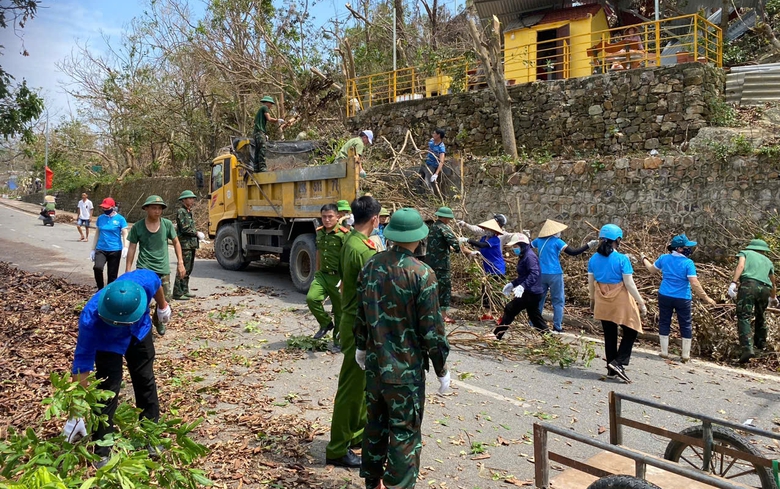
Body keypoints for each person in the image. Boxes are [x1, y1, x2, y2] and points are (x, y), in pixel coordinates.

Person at [354, 208, 450, 489]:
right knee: (404, 433)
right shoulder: (422, 274)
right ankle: (398, 485)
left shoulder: (371, 265)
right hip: (405, 373)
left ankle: (373, 482)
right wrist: (442, 369)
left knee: (375, 427)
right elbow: (432, 331)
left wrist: (361, 347)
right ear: (420, 238)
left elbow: (360, 313)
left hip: (375, 367)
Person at [62, 270, 172, 468]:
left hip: (139, 333)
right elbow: (82, 364)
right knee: (107, 391)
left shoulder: (144, 280)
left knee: (145, 380)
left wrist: (163, 307)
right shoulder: (90, 317)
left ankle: (150, 436)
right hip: (107, 343)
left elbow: (157, 285)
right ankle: (102, 450)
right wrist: (76, 412)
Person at [326, 196, 381, 469]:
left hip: (350, 319)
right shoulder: (366, 251)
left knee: (360, 384)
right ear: (375, 220)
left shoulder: (350, 240)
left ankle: (356, 433)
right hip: (359, 324)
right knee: (350, 388)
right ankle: (337, 447)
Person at [641, 234, 716, 362]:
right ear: (680, 249)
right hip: (682, 297)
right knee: (685, 324)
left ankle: (664, 352)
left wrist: (644, 258)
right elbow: (694, 282)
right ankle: (685, 355)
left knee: (664, 321)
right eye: (687, 247)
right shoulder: (688, 263)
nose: (689, 249)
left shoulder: (664, 258)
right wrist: (706, 298)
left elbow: (651, 270)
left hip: (664, 295)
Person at [588, 224, 647, 383]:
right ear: (618, 240)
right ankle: (618, 362)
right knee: (631, 330)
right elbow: (629, 284)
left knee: (610, 334)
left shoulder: (593, 259)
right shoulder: (622, 259)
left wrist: (592, 301)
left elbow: (591, 282)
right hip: (620, 300)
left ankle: (611, 370)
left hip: (601, 298)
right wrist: (641, 303)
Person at [125, 195, 186, 336]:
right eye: (153, 208)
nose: (157, 211)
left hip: (162, 268)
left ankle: (158, 321)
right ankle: (145, 329)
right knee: (143, 300)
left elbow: (176, 242)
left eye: (159, 208)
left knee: (165, 299)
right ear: (146, 209)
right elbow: (132, 248)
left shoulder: (167, 225)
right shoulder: (138, 227)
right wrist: (128, 270)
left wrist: (180, 262)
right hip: (144, 268)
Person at [532, 219, 599, 333]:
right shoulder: (557, 242)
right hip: (555, 274)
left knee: (539, 299)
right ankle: (557, 326)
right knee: (558, 301)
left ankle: (534, 323)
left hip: (541, 274)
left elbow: (526, 247)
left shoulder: (538, 240)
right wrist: (589, 245)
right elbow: (573, 252)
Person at [727, 239, 778, 363]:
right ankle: (761, 345)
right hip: (765, 289)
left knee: (744, 316)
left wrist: (733, 283)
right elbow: (773, 282)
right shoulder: (768, 261)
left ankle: (747, 348)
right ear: (764, 250)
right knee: (761, 316)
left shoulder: (745, 253)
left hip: (749, 286)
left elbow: (741, 266)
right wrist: (773, 297)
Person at [308, 203, 350, 344]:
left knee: (339, 312)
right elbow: (319, 252)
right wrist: (317, 271)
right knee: (311, 298)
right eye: (324, 217)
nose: (327, 220)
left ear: (338, 217)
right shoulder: (319, 232)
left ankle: (338, 341)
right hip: (322, 275)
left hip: (338, 277)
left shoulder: (343, 234)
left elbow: (348, 256)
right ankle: (326, 323)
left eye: (330, 216)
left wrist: (346, 278)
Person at [493, 233, 548, 339]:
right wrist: (513, 284)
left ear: (522, 245)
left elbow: (534, 273)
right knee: (535, 317)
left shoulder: (529, 257)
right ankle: (549, 339)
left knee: (510, 309)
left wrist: (522, 286)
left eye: (515, 246)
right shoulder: (524, 256)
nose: (514, 249)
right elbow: (524, 275)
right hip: (533, 292)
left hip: (530, 292)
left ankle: (497, 335)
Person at [460, 219, 506, 316]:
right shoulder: (483, 238)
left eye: (490, 229)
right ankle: (488, 313)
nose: (487, 231)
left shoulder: (495, 240)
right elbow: (478, 247)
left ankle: (500, 314)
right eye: (487, 229)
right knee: (485, 291)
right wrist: (473, 252)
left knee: (495, 292)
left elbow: (482, 245)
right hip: (487, 268)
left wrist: (467, 239)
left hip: (496, 269)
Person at [425, 207, 461, 324]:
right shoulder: (443, 228)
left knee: (431, 287)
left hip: (430, 263)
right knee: (444, 288)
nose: (449, 220)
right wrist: (461, 248)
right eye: (449, 218)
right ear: (445, 217)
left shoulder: (432, 227)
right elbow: (455, 243)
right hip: (441, 264)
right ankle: (443, 315)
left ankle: (430, 312)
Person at [90, 197, 129, 290]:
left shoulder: (120, 219)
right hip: (101, 248)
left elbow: (125, 233)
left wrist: (125, 247)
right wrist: (93, 249)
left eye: (107, 208)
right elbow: (97, 233)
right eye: (103, 208)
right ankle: (100, 288)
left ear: (113, 207)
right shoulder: (100, 218)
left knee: (112, 274)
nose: (105, 210)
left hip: (115, 249)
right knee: (97, 268)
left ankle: (109, 292)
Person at [173, 190, 201, 300]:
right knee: (182, 268)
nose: (192, 200)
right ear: (184, 200)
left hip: (191, 244)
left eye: (193, 198)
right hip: (185, 245)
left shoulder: (189, 211)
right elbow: (185, 228)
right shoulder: (181, 212)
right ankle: (177, 292)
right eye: (190, 198)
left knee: (188, 269)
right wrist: (196, 233)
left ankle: (184, 290)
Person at [252, 96, 285, 172]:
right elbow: (269, 119)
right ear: (267, 103)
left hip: (256, 132)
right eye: (271, 104)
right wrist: (278, 120)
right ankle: (262, 168)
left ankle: (256, 167)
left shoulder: (260, 111)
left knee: (257, 149)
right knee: (262, 149)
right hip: (260, 132)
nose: (271, 106)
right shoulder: (264, 108)